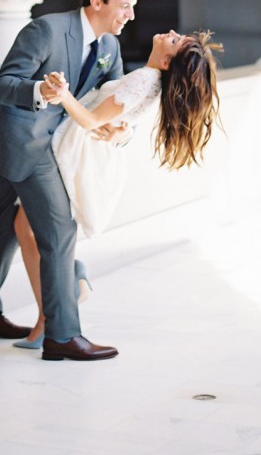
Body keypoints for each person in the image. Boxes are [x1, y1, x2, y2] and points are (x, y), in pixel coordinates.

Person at [0, 0, 137, 362]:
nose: (130, 15)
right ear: (96, 2)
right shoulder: (46, 29)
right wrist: (41, 90)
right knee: (60, 231)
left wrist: (121, 133)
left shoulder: (109, 47)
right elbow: (2, 85)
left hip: (54, 142)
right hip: (20, 140)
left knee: (8, 225)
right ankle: (62, 336)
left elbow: (112, 104)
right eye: (124, 6)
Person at [13, 29, 222, 347]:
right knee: (29, 225)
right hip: (85, 151)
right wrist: (119, 129)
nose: (173, 33)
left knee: (32, 226)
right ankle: (62, 293)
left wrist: (63, 93)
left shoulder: (145, 80)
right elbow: (115, 119)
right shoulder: (150, 81)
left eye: (176, 41)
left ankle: (50, 315)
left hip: (73, 151)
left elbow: (91, 120)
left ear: (167, 61)